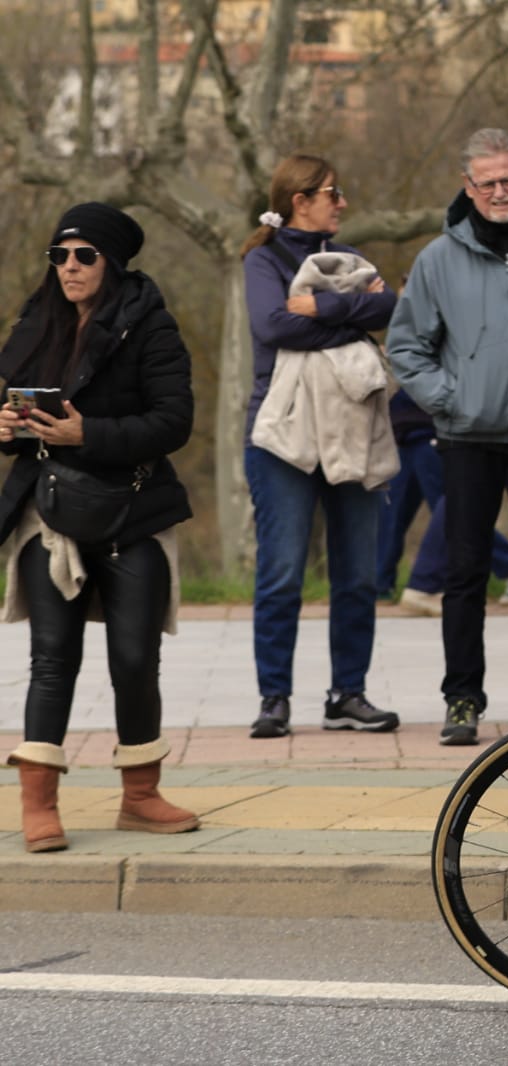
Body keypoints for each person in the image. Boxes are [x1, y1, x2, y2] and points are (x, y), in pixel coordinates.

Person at [0, 203, 198, 851]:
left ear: (111, 262)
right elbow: (13, 410)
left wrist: (92, 432)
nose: (69, 268)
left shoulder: (151, 325)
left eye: (84, 255)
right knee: (52, 659)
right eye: (59, 255)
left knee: (136, 659)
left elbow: (173, 422)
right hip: (49, 511)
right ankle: (38, 804)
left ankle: (140, 797)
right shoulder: (36, 324)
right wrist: (6, 427)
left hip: (133, 509)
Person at [387, 128, 508, 746]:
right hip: (466, 438)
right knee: (464, 574)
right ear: (468, 187)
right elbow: (406, 347)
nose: (499, 191)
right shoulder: (438, 259)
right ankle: (462, 698)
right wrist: (451, 399)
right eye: (486, 182)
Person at [242, 153, 401, 739]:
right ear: (299, 199)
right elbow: (274, 327)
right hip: (280, 437)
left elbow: (389, 307)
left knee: (358, 573)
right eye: (333, 192)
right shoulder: (261, 260)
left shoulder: (349, 258)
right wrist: (353, 316)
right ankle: (273, 698)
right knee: (282, 572)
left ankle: (348, 694)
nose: (343, 202)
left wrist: (324, 306)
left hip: (352, 429)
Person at [377, 388, 508, 618]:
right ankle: (379, 585)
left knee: (453, 509)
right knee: (391, 511)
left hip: (434, 429)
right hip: (400, 432)